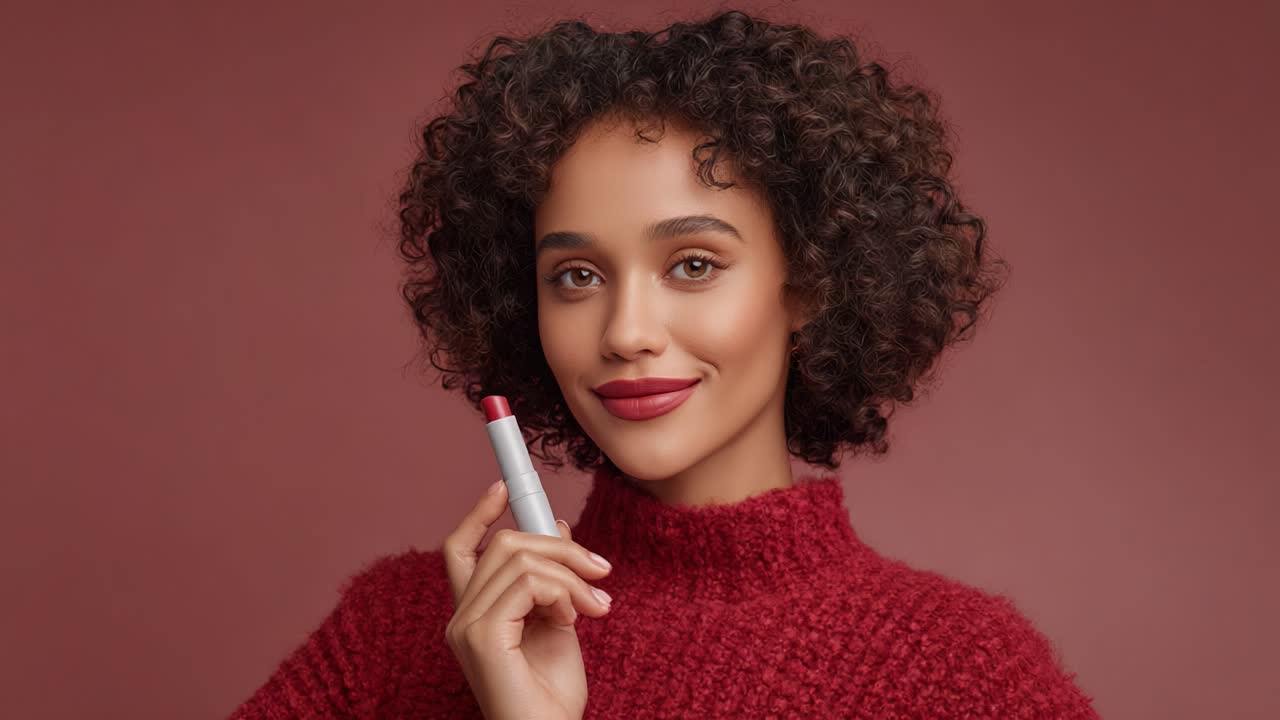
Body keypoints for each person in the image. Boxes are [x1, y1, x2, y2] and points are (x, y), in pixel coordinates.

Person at [229, 9, 1100, 719]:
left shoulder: (956, 673)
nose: (627, 332)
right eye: (576, 276)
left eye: (692, 264)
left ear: (811, 283)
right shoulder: (403, 630)